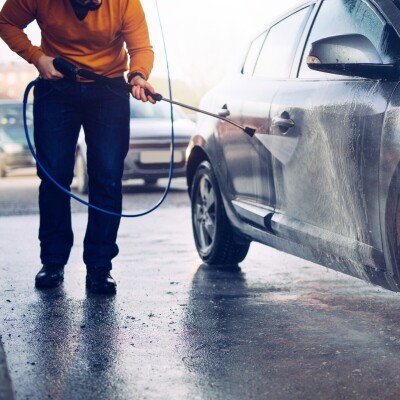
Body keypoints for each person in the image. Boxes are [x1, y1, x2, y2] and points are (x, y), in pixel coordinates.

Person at [0, 0, 156, 294]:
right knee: (54, 177)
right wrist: (37, 58)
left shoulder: (125, 3)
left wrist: (138, 75)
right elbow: (6, 22)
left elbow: (141, 48)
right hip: (56, 86)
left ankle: (100, 267)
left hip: (109, 89)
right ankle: (53, 261)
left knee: (107, 177)